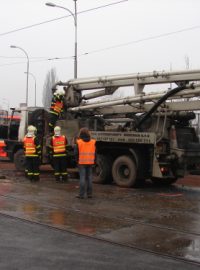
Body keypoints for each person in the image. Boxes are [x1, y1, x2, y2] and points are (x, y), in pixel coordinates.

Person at [74, 127, 96, 199]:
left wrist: (77, 161)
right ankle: (90, 194)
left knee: (82, 178)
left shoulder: (79, 142)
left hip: (82, 162)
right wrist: (94, 161)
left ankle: (81, 195)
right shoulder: (93, 142)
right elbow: (95, 153)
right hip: (90, 162)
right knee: (89, 178)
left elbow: (76, 153)